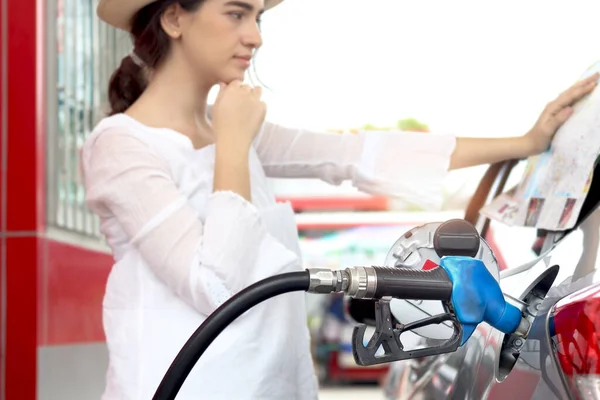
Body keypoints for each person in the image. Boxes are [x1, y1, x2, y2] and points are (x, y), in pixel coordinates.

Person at [80, 0, 598, 398]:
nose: (255, 36)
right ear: (174, 17)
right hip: (183, 385)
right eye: (236, 13)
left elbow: (359, 154)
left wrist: (526, 142)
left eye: (258, 16)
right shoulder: (122, 145)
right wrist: (233, 145)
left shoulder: (239, 132)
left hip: (270, 383)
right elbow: (217, 286)